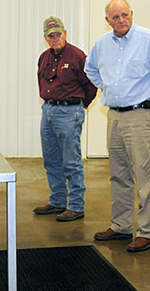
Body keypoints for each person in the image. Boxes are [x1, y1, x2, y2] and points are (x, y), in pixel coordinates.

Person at [84, 0, 150, 252]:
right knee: (118, 174)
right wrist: (107, 87)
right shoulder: (102, 44)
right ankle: (120, 226)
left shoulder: (149, 39)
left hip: (141, 116)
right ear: (107, 20)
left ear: (131, 14)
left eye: (124, 15)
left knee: (144, 176)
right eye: (115, 17)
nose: (121, 21)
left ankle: (147, 232)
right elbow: (90, 69)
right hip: (115, 116)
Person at [34, 16, 98, 222]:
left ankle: (76, 205)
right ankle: (57, 201)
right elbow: (41, 83)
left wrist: (79, 106)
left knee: (71, 161)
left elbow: (91, 84)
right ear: (46, 37)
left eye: (58, 34)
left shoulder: (77, 56)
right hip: (49, 111)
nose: (55, 39)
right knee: (51, 160)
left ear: (65, 34)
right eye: (51, 36)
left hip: (69, 112)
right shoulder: (44, 57)